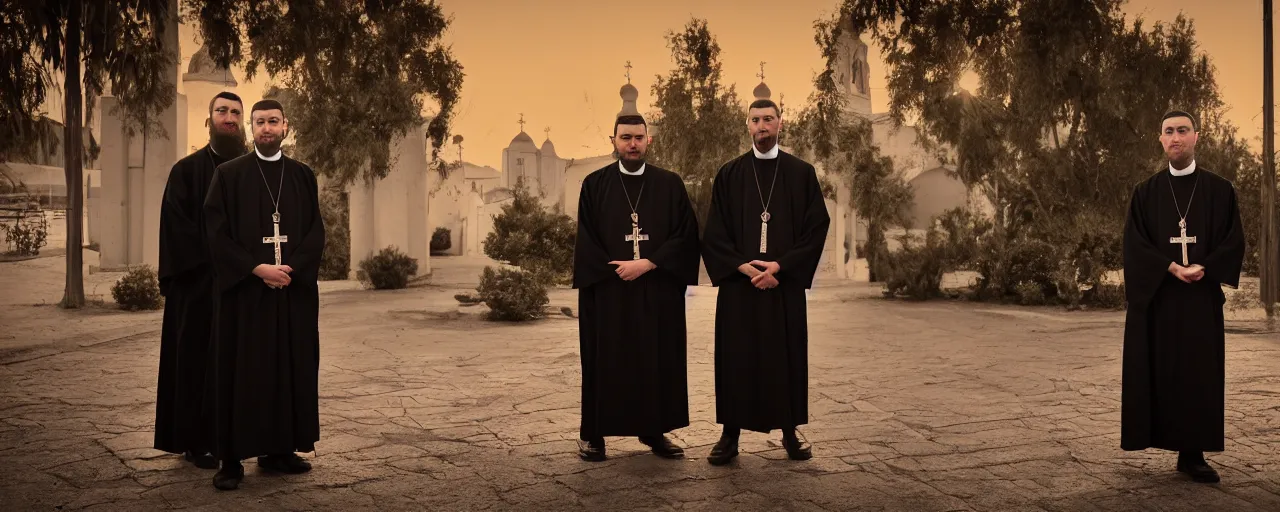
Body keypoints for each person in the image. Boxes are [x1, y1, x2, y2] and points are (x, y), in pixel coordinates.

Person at [203, 99, 326, 490]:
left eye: (274, 122)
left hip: (292, 294)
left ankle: (279, 450)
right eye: (259, 123)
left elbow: (315, 232)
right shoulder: (228, 175)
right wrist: (256, 268)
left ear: (285, 126)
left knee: (288, 370)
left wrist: (290, 271)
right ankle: (232, 460)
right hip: (245, 297)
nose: (267, 128)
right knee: (241, 374)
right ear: (250, 128)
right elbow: (216, 234)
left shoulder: (303, 176)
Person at [700, 98, 830, 465]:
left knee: (784, 358)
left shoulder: (802, 173)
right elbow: (714, 234)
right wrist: (745, 268)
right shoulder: (729, 174)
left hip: (782, 288)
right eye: (755, 120)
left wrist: (780, 268)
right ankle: (729, 435)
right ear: (747, 125)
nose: (762, 126)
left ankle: (790, 431)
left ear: (780, 124)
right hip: (740, 289)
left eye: (768, 119)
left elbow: (816, 227)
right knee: (736, 360)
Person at [1121, 110, 1245, 483]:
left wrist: (1203, 267)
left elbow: (1233, 240)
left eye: (1183, 130)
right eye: (1168, 131)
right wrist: (1173, 268)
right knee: (1160, 371)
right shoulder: (1145, 193)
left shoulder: (1221, 191)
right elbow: (1134, 245)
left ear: (1196, 137)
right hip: (1159, 299)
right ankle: (1157, 439)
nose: (1175, 137)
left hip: (1199, 300)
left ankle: (1192, 455)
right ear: (1160, 139)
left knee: (1198, 374)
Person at [572, 114, 701, 461]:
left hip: (656, 289)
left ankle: (654, 431)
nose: (632, 144)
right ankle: (594, 434)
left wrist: (647, 263)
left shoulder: (669, 184)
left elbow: (686, 234)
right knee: (605, 361)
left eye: (638, 138)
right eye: (625, 137)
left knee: (654, 361)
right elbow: (586, 238)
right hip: (609, 291)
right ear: (612, 140)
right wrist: (617, 269)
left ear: (649, 141)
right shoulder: (594, 184)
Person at [154, 91, 247, 470]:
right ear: (208, 120)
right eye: (221, 110)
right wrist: (223, 261)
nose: (229, 117)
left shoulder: (253, 170)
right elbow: (177, 229)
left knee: (243, 366)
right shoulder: (186, 171)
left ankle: (247, 438)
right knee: (196, 364)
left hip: (242, 287)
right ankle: (196, 442)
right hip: (198, 288)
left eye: (235, 112)